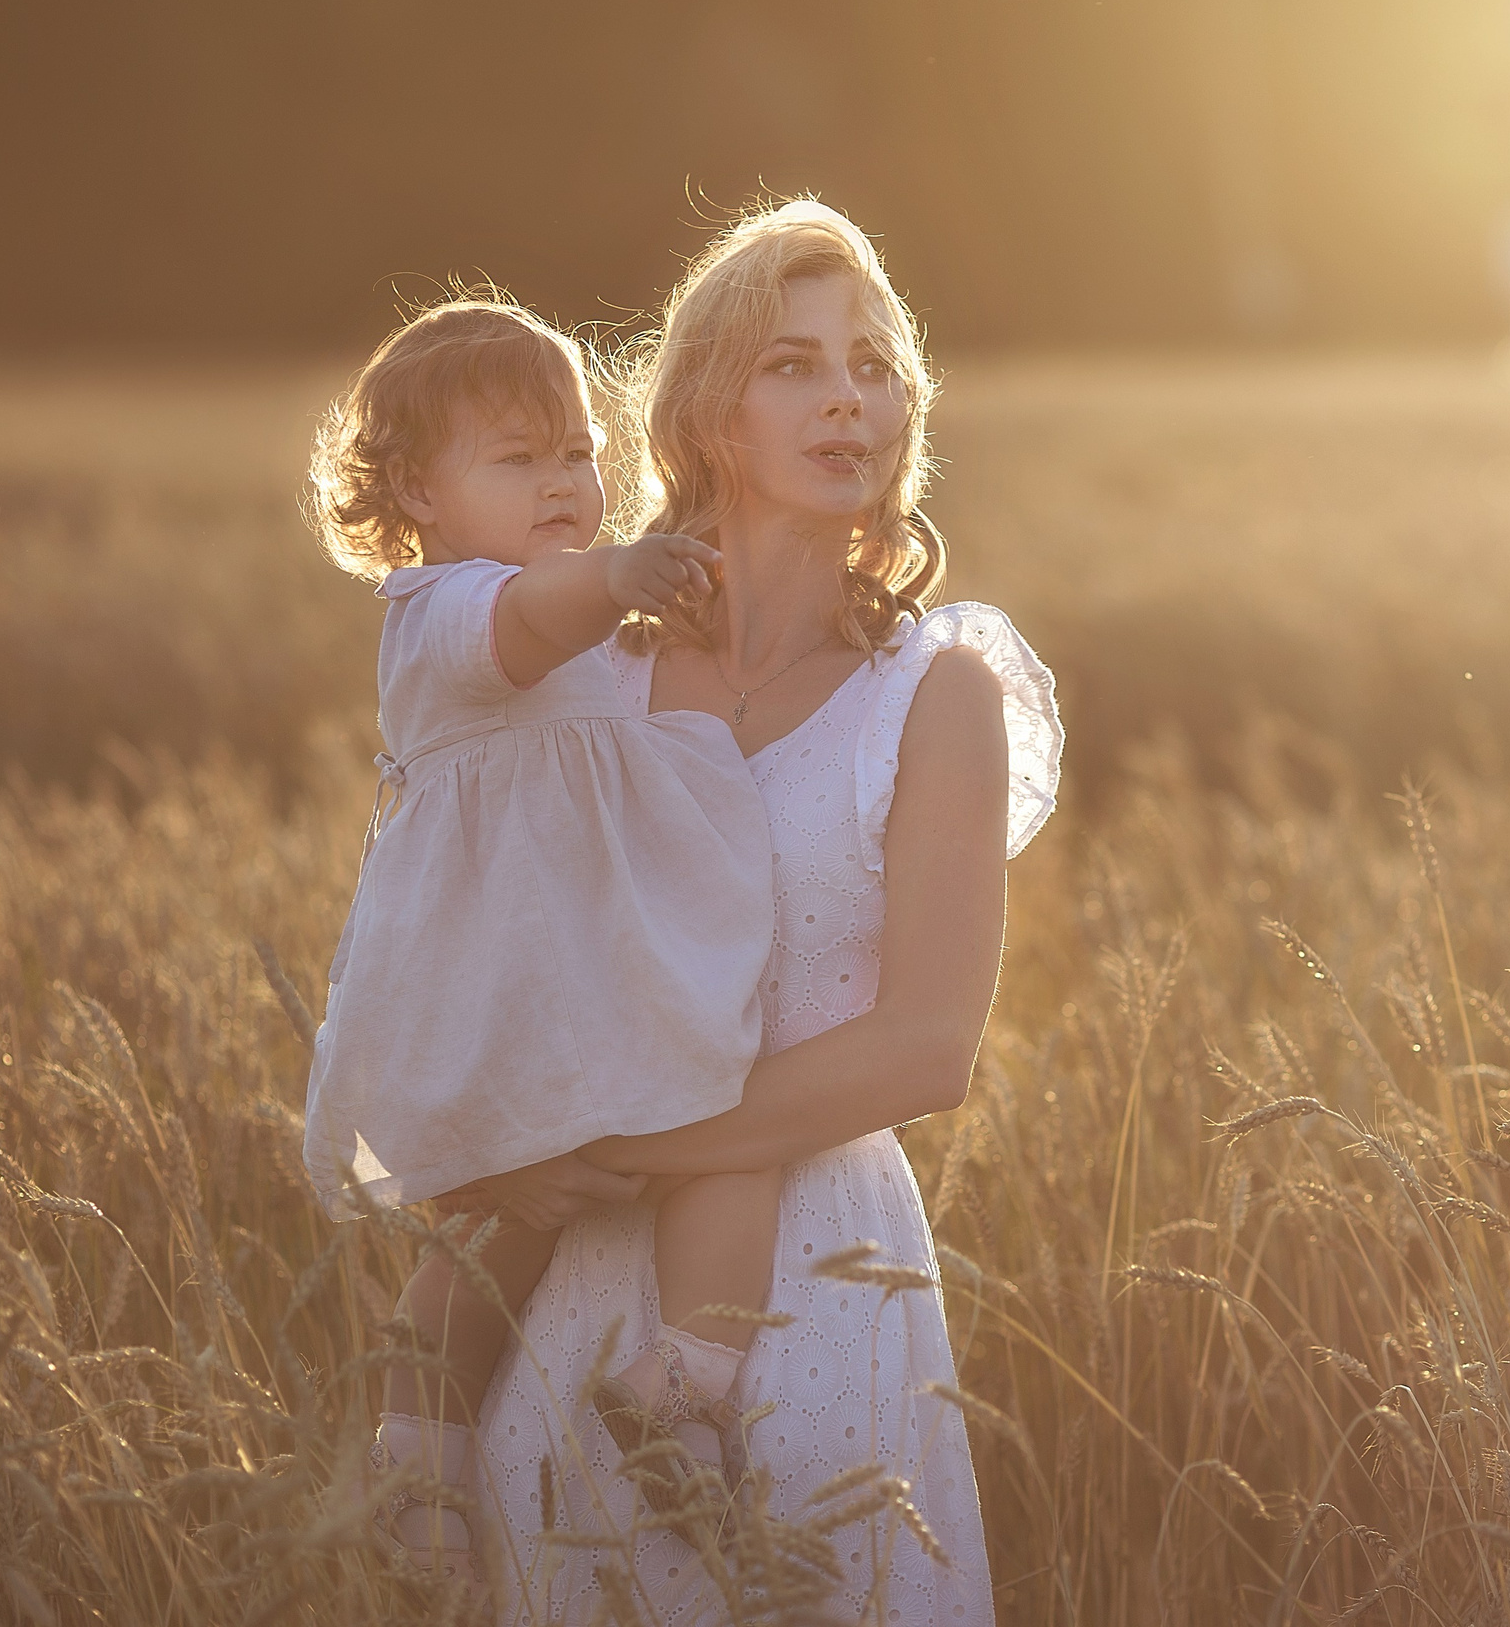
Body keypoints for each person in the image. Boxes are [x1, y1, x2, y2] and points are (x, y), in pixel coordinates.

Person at [449, 200, 1061, 1623]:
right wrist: (511, 1162)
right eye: (794, 364)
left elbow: (925, 1048)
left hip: (819, 1283)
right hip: (582, 1275)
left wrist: (626, 1140)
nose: (848, 395)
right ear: (709, 407)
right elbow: (481, 980)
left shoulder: (937, 695)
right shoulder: (583, 682)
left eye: (872, 363)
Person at [300, 298, 796, 1587]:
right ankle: (415, 1471)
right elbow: (527, 623)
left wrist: (655, 602)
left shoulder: (570, 615)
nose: (565, 479)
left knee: (720, 1121)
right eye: (517, 460)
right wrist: (620, 574)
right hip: (504, 989)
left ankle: (681, 1381)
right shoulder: (440, 612)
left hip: (597, 981)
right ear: (414, 490)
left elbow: (590, 649)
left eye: (576, 451)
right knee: (483, 1241)